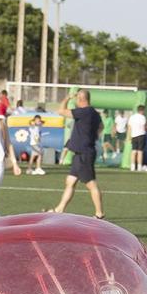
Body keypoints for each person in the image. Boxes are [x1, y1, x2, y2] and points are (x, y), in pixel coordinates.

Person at [51, 89, 106, 218]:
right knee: (70, 181)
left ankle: (99, 213)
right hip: (81, 152)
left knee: (91, 184)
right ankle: (59, 209)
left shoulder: (83, 112)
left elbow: (61, 111)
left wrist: (67, 98)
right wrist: (92, 135)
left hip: (84, 153)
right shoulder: (94, 113)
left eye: (77, 99)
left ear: (81, 99)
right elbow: (101, 127)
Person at [128, 106, 147, 171]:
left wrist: (129, 136)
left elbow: (129, 127)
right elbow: (144, 127)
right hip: (141, 135)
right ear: (142, 111)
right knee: (140, 152)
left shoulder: (132, 117)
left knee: (133, 151)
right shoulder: (142, 117)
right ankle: (139, 167)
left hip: (133, 135)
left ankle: (132, 166)